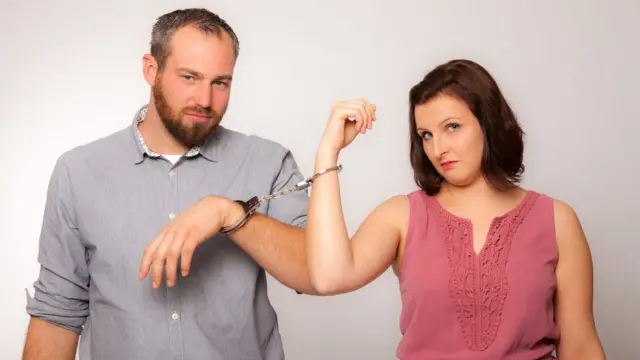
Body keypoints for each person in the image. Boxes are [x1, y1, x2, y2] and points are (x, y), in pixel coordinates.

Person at [23, 8, 315, 360]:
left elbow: (314, 271)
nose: (205, 100)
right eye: (189, 77)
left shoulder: (268, 162)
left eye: (220, 82)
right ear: (151, 69)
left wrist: (230, 214)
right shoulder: (78, 172)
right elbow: (57, 315)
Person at [304, 59, 607, 359]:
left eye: (452, 127)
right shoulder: (402, 216)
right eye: (426, 135)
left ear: (487, 123)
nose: (438, 149)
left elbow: (580, 346)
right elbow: (330, 277)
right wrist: (327, 152)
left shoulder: (556, 220)